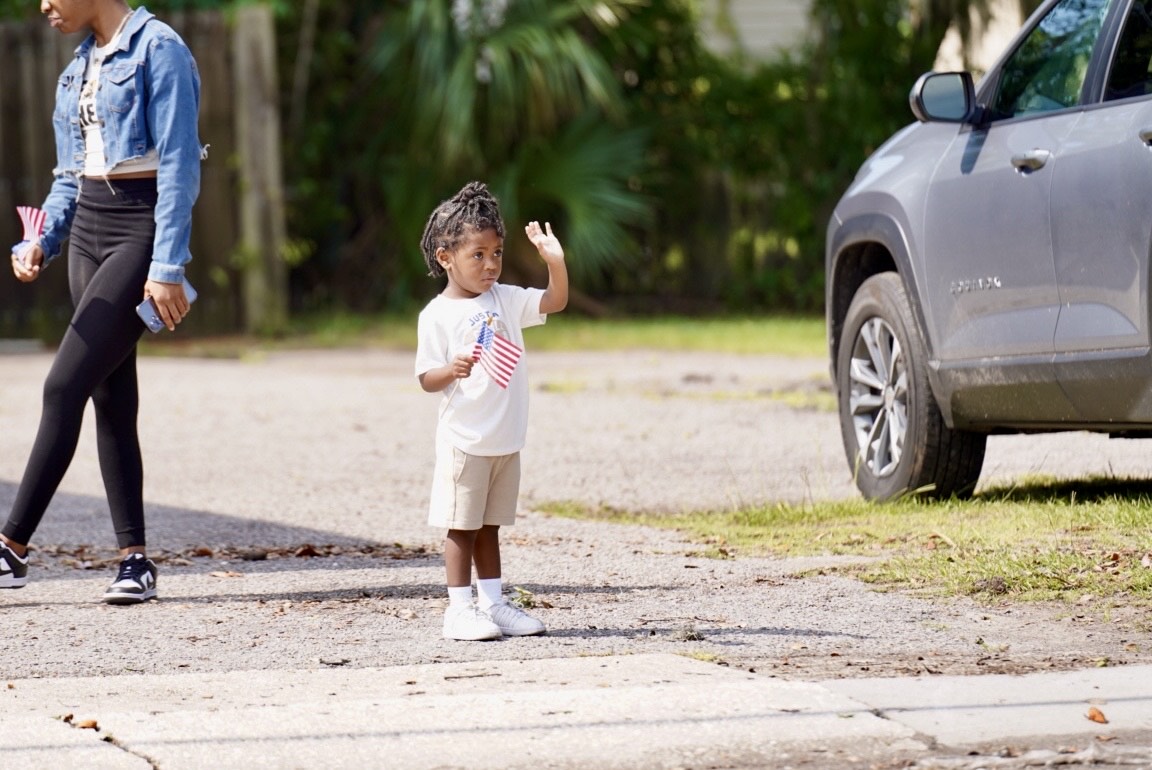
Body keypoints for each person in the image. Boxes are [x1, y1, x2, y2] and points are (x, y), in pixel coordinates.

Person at [1, 0, 204, 604]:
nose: (44, 5)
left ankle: (11, 548)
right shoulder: (79, 65)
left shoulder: (159, 48)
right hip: (87, 231)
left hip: (138, 230)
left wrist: (166, 266)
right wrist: (42, 240)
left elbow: (179, 164)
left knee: (62, 387)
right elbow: (69, 174)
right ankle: (134, 561)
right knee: (111, 397)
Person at [415, 181, 568, 641]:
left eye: (497, 253)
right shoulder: (436, 315)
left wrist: (555, 262)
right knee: (461, 527)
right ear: (446, 257)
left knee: (489, 526)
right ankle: (458, 610)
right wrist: (451, 369)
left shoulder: (505, 298)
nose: (490, 264)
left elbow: (555, 301)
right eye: (478, 255)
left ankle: (493, 604)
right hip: (466, 440)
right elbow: (426, 378)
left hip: (505, 440)